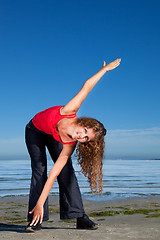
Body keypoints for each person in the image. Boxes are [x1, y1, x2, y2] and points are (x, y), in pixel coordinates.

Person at [25, 58, 121, 233]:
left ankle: (80, 217)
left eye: (86, 138)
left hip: (57, 138)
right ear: (84, 122)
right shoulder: (70, 111)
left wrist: (41, 201)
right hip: (35, 130)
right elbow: (87, 87)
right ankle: (35, 219)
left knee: (66, 172)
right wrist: (104, 71)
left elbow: (54, 174)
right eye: (84, 130)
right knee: (39, 169)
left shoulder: (70, 144)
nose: (81, 136)